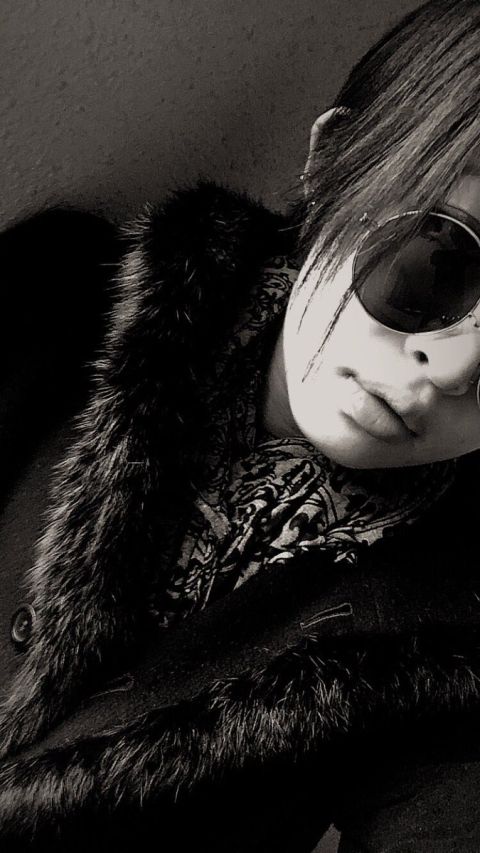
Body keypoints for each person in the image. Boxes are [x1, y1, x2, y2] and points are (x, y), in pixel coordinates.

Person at [1, 0, 480, 849]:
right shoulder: (53, 302)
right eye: (439, 263)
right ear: (333, 165)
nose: (448, 369)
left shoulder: (448, 637)